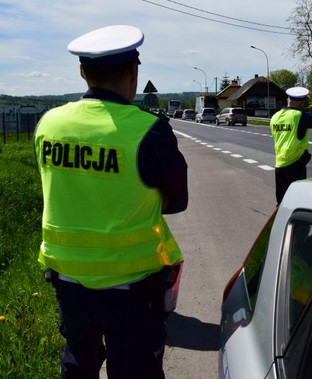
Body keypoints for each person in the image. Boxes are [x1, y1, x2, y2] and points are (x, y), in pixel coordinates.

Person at [33, 25, 188, 378]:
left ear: (82, 72)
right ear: (134, 72)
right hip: (132, 290)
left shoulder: (48, 124)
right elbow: (177, 200)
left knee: (78, 362)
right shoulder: (149, 130)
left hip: (67, 282)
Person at [270, 86, 312, 205]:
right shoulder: (299, 116)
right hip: (296, 164)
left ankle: (280, 220)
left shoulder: (275, 117)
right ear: (302, 104)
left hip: (279, 164)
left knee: (282, 201)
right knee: (297, 200)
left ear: (288, 100)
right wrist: (311, 111)